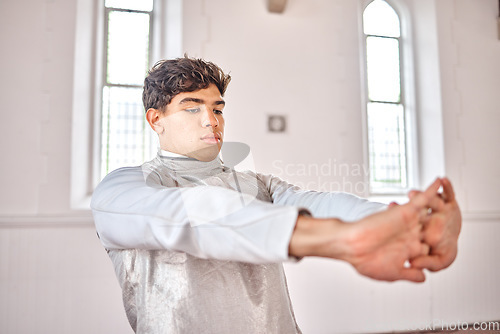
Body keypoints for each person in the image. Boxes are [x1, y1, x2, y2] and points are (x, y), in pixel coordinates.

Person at [91, 56, 461, 334]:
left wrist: (411, 223)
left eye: (217, 108)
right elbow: (192, 215)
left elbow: (322, 204)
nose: (211, 120)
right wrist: (339, 240)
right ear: (156, 120)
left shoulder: (258, 185)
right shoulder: (124, 188)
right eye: (192, 108)